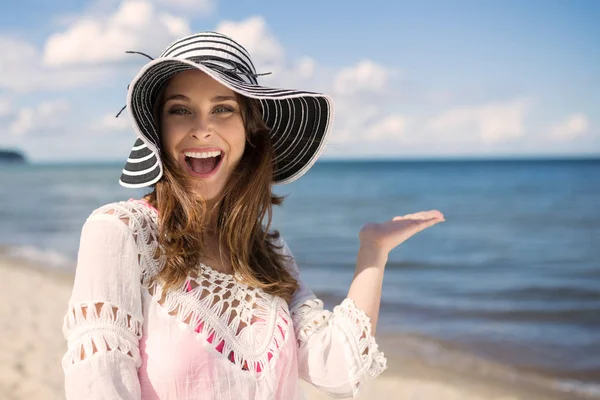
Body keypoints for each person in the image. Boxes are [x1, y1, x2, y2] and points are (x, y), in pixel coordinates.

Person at [61, 31, 445, 400]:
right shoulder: (120, 232)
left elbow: (338, 371)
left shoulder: (266, 253)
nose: (202, 128)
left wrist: (373, 251)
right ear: (158, 130)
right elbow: (98, 385)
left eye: (223, 109)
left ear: (249, 130)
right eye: (180, 110)